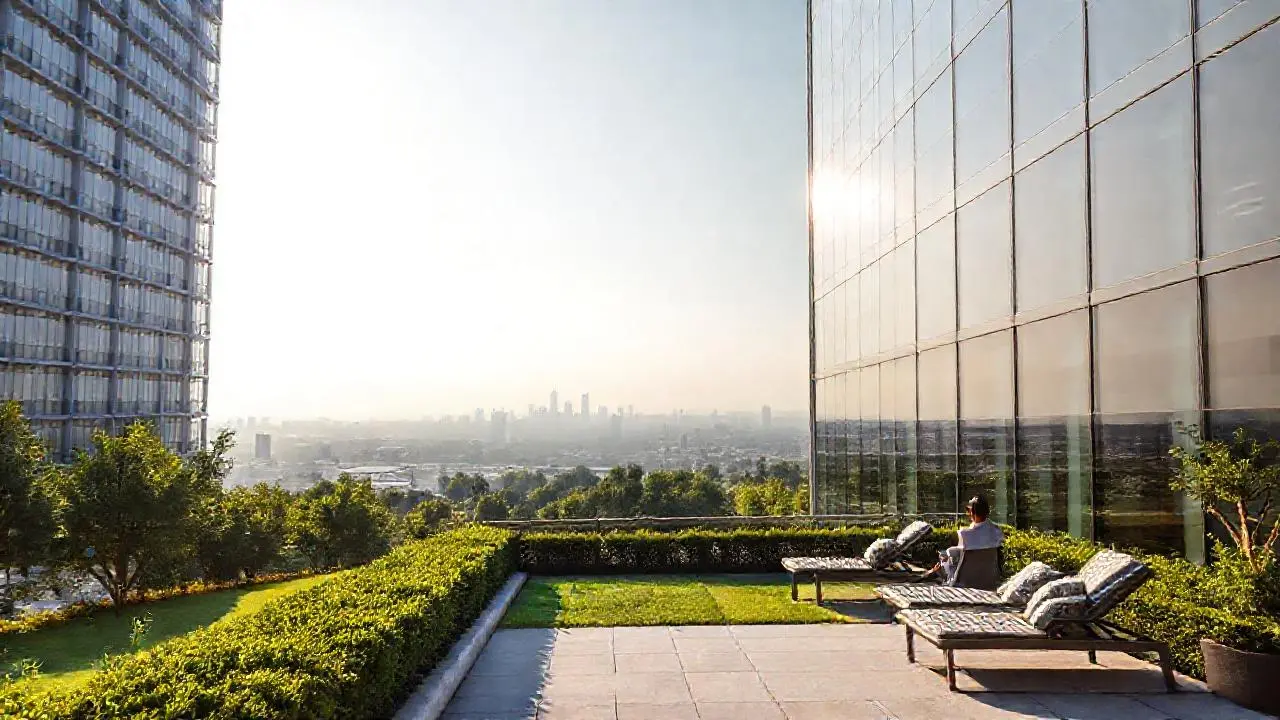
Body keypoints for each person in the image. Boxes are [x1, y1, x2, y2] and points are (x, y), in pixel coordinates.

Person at [921, 495, 1002, 584]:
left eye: (968, 511)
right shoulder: (997, 531)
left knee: (945, 558)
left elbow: (960, 555)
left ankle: (933, 573)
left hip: (965, 581)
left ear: (972, 512)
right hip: (989, 580)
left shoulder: (964, 534)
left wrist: (946, 555)